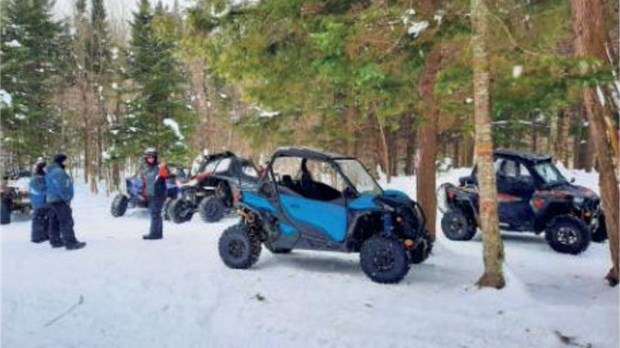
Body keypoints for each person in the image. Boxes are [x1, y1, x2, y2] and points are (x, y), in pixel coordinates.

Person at [46, 154, 86, 250]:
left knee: (54, 220)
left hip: (51, 199)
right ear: (61, 161)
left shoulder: (50, 171)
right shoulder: (59, 172)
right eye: (66, 160)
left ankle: (55, 241)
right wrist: (67, 198)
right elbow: (62, 187)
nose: (68, 162)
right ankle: (70, 242)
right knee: (66, 220)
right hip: (59, 200)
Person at [142, 148, 169, 240]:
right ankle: (158, 233)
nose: (150, 159)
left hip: (158, 193)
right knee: (156, 214)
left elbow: (165, 175)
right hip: (150, 194)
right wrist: (145, 194)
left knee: (155, 213)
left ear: (155, 157)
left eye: (152, 157)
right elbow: (146, 182)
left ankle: (154, 233)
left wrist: (163, 167)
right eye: (148, 157)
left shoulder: (159, 166)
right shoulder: (147, 168)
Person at [30, 160, 50, 243]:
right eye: (45, 168)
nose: (46, 169)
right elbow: (38, 189)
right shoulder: (35, 178)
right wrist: (49, 188)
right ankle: (36, 237)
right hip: (38, 202)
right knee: (38, 219)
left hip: (46, 202)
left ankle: (46, 235)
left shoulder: (45, 177)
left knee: (46, 219)